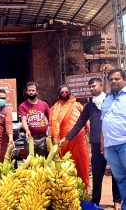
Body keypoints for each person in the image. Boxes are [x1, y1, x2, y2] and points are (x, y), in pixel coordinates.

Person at [59, 78, 121, 209]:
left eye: (94, 86)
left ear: (101, 85)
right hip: (96, 144)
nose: (92, 89)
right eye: (90, 87)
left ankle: (117, 201)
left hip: (112, 142)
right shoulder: (89, 106)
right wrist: (67, 138)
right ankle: (95, 202)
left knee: (116, 173)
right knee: (97, 175)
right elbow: (80, 123)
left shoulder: (110, 101)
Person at [50, 84, 90, 189]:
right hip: (64, 142)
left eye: (66, 91)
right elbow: (52, 126)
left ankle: (84, 189)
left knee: (82, 164)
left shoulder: (77, 105)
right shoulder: (54, 108)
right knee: (67, 165)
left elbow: (86, 120)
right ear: (58, 94)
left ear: (70, 93)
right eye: (62, 91)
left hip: (79, 139)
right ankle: (69, 189)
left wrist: (89, 129)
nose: (64, 93)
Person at [101, 68, 126, 210]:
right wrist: (103, 145)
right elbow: (104, 121)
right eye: (111, 79)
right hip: (110, 146)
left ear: (124, 79)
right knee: (121, 179)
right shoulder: (107, 98)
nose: (114, 81)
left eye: (117, 79)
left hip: (124, 143)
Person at [19, 81, 50, 156]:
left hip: (43, 138)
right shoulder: (23, 106)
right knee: (30, 161)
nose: (31, 92)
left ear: (37, 92)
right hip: (29, 138)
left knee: (43, 161)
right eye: (29, 90)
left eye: (33, 90)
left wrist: (49, 132)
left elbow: (50, 119)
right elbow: (23, 120)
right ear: (26, 92)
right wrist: (27, 130)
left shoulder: (44, 104)